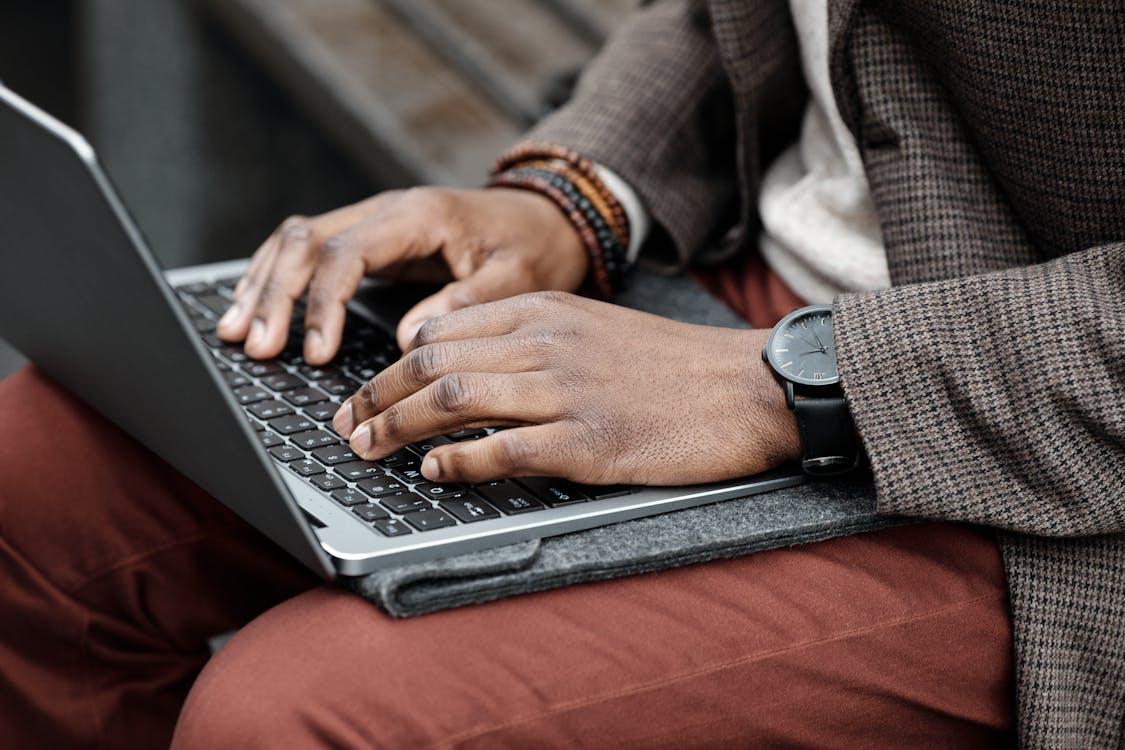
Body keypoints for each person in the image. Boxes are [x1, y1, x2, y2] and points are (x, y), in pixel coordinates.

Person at [1, 0, 1121, 747]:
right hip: (745, 271)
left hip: (1035, 432)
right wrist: (572, 199)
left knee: (298, 718)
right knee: (37, 481)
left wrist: (789, 385)